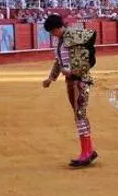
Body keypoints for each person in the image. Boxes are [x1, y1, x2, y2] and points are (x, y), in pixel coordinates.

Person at [41, 14, 99, 167]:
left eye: (52, 31)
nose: (52, 34)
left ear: (57, 28)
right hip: (71, 82)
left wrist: (73, 72)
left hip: (79, 81)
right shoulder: (61, 41)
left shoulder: (72, 37)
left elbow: (85, 58)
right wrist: (51, 78)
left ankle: (86, 152)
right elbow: (59, 62)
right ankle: (88, 150)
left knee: (80, 115)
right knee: (79, 115)